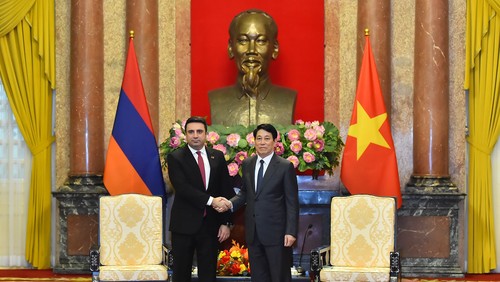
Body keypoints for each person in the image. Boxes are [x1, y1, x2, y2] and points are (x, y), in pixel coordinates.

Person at [215, 123, 299, 282]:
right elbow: (245, 193)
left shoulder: (285, 166)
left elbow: (292, 202)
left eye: (267, 138)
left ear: (275, 142)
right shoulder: (248, 164)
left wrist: (291, 231)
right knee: (258, 277)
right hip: (253, 233)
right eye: (259, 138)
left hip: (277, 233)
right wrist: (229, 204)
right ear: (254, 141)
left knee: (278, 276)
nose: (262, 142)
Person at [167, 116, 235, 282]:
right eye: (191, 132)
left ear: (206, 134)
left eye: (199, 131)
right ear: (186, 135)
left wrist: (226, 223)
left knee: (208, 275)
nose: (195, 135)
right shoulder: (176, 157)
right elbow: (183, 189)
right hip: (184, 226)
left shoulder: (217, 156)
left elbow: (225, 189)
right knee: (181, 274)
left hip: (210, 226)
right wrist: (212, 201)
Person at [209, 9, 297, 126]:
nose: (251, 50)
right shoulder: (217, 99)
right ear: (231, 48)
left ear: (274, 49)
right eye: (243, 41)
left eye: (260, 41)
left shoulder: (287, 99)